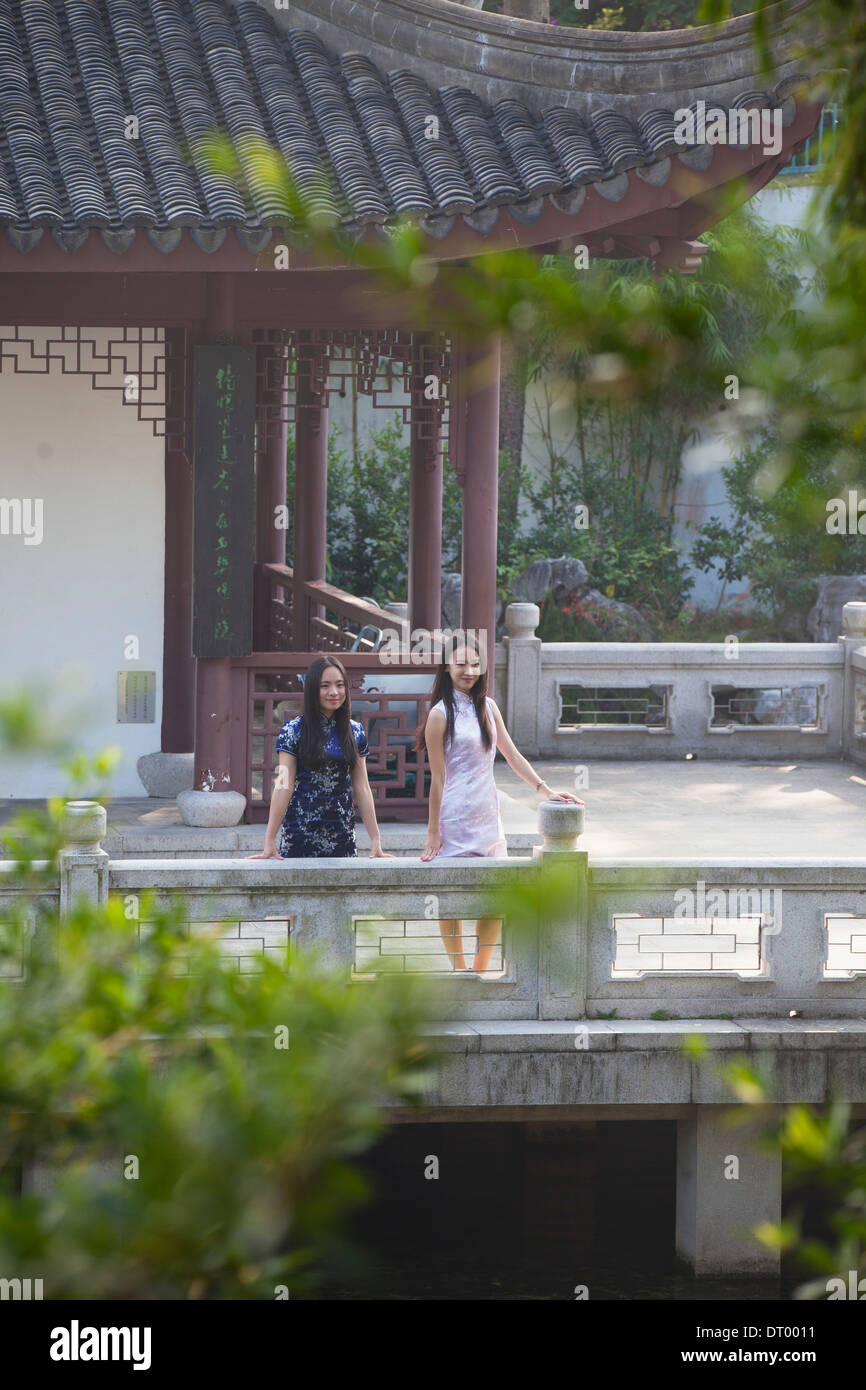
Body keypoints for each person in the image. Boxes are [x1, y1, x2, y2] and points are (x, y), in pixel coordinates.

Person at [417, 636, 582, 973]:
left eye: (475, 664)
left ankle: (480, 969)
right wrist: (433, 832)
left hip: (487, 813)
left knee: (494, 895)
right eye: (461, 663)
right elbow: (437, 778)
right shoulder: (438, 714)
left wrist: (544, 789)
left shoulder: (488, 707)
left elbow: (511, 753)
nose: (469, 671)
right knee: (451, 897)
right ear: (447, 667)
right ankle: (459, 969)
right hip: (455, 815)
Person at [247, 654, 391, 860]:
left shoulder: (355, 731)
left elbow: (363, 788)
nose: (334, 692)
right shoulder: (294, 730)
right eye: (325, 686)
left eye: (340, 685)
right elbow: (283, 784)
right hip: (300, 831)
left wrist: (375, 839)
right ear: (313, 689)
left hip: (342, 832)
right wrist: (269, 838)